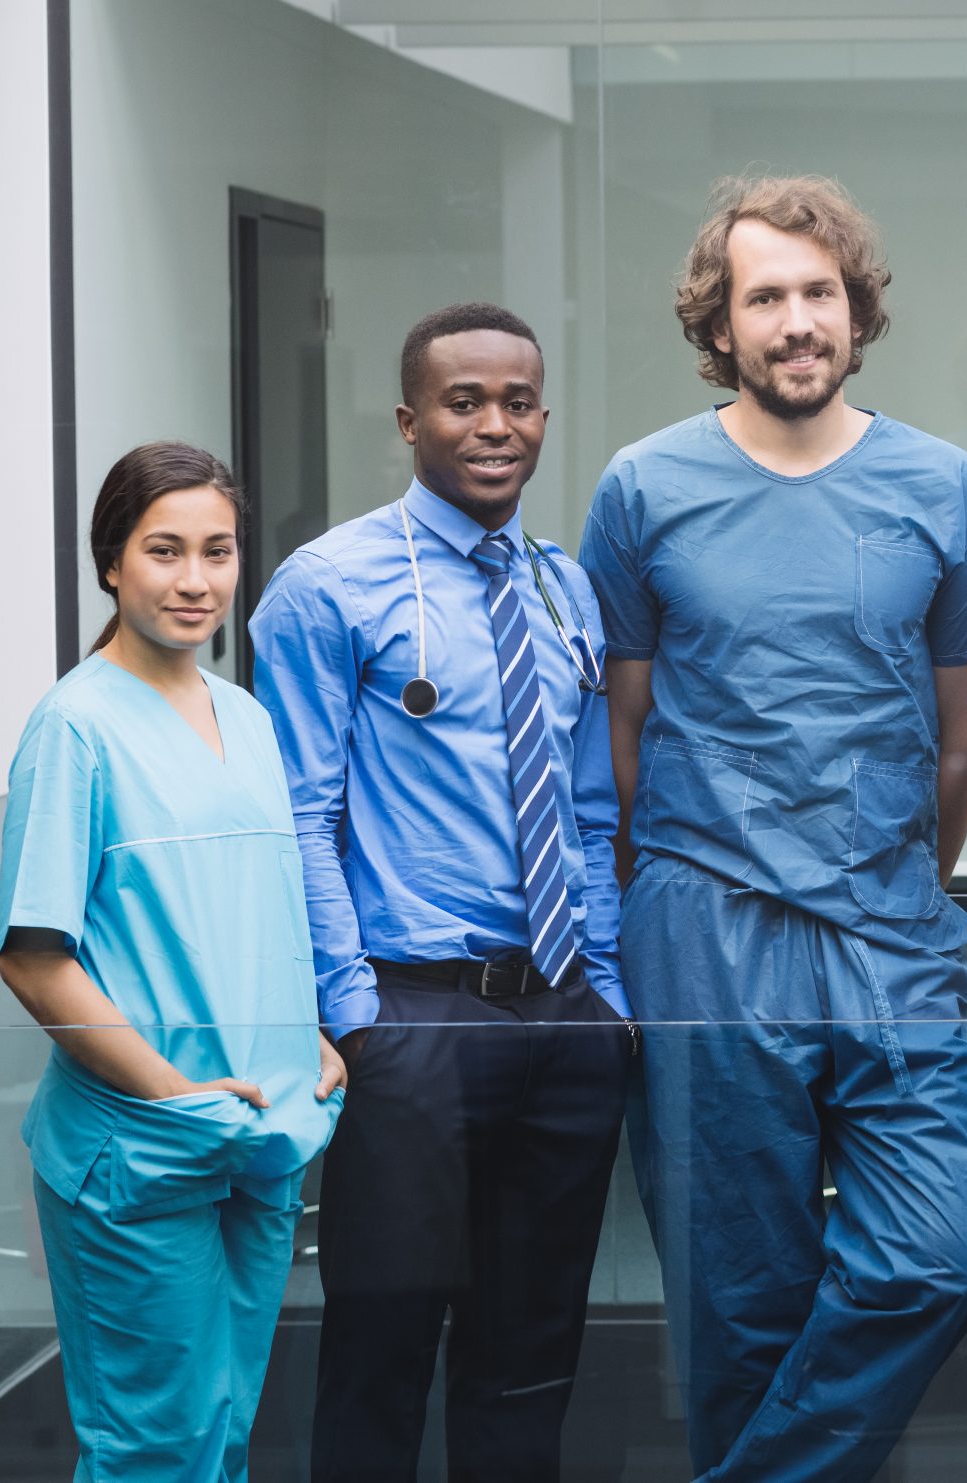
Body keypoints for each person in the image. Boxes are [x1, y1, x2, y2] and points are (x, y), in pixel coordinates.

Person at [581, 174, 967, 1482]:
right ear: (723, 322)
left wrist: (897, 877)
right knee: (738, 1303)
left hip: (891, 922)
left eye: (820, 291)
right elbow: (622, 735)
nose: (797, 319)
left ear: (858, 311)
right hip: (707, 919)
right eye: (767, 296)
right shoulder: (644, 487)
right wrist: (671, 897)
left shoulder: (942, 482)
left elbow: (961, 736)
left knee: (942, 1252)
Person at [250, 302, 634, 1482]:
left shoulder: (565, 588)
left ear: (543, 418)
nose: (494, 425)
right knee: (383, 1339)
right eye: (464, 402)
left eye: (517, 402)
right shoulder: (328, 587)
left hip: (562, 1018)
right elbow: (300, 815)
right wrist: (354, 1012)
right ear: (411, 420)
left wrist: (607, 996)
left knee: (531, 1353)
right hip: (414, 1017)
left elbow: (592, 810)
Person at [0, 442, 345, 1483]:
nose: (196, 580)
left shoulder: (246, 719)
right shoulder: (75, 727)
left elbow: (249, 918)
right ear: (111, 562)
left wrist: (310, 1039)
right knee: (155, 1447)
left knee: (223, 1430)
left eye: (218, 551)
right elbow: (35, 960)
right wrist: (178, 1093)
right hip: (144, 1145)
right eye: (164, 551)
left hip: (260, 1133)